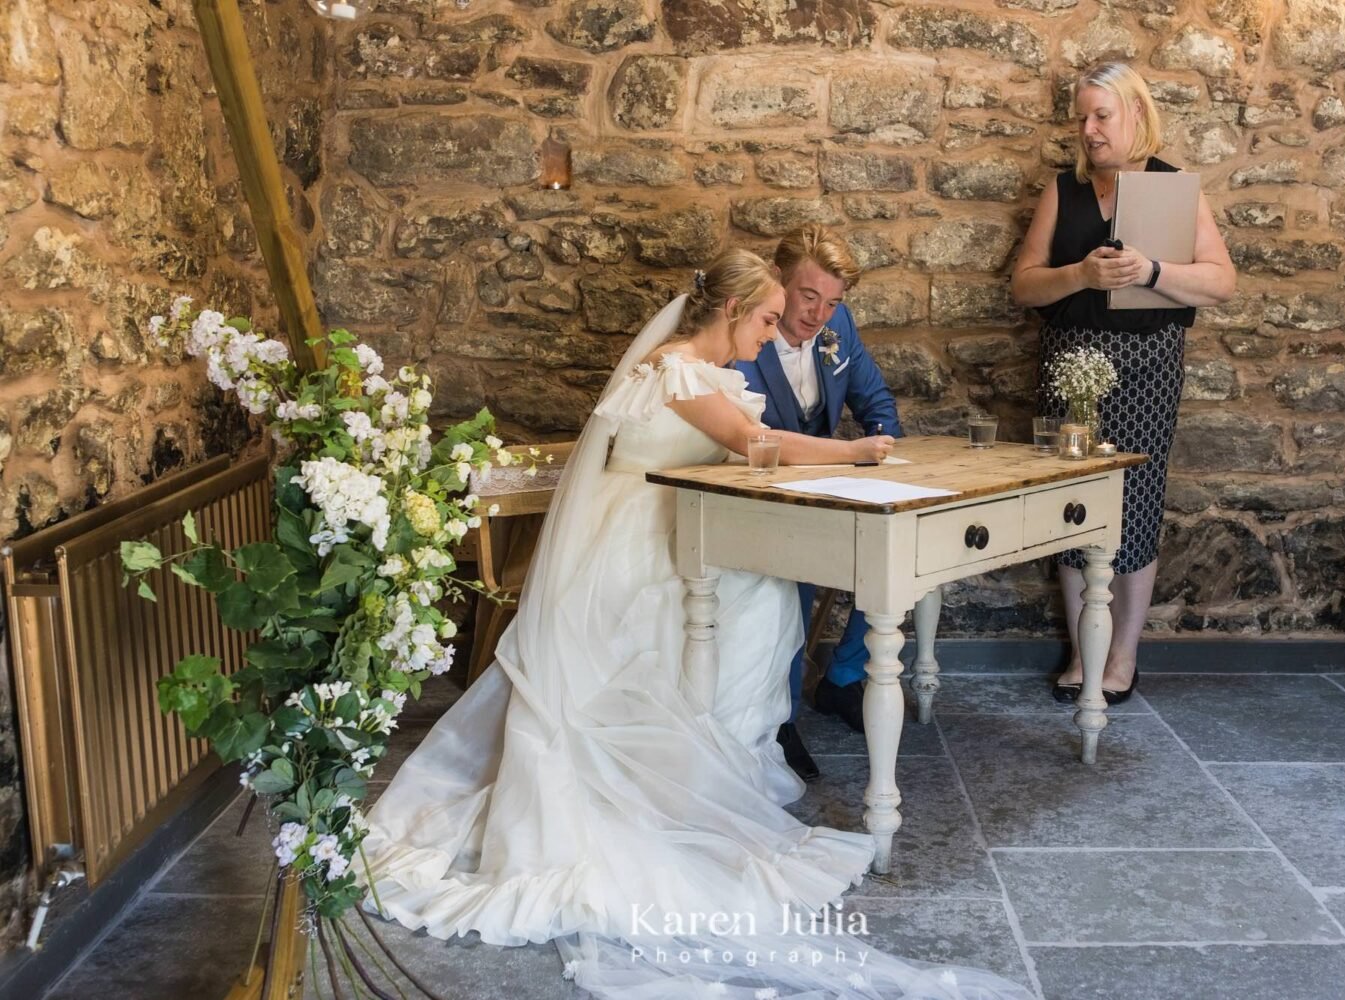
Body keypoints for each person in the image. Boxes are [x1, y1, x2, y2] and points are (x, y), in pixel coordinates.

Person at [360, 252, 1026, 998]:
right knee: (725, 618)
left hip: (684, 529)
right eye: (769, 319)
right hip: (634, 544)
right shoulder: (674, 371)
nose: (776, 333)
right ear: (732, 312)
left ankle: (716, 762)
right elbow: (753, 446)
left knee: (763, 599)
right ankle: (671, 789)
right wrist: (853, 453)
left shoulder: (708, 374)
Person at [1010, 62, 1236, 704]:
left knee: (1133, 503)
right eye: (1082, 117)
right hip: (1069, 363)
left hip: (1148, 363)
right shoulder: (1065, 189)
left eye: (1101, 116)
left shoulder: (1174, 190)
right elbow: (1024, 286)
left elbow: (1221, 282)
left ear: (1136, 116)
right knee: (1068, 502)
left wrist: (1153, 268)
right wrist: (1080, 274)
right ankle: (1084, 651)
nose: (1088, 129)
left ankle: (1122, 656)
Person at [737, 224, 903, 782]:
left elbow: (876, 400)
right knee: (796, 579)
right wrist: (844, 455)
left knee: (899, 552)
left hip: (829, 488)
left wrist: (883, 452)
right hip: (759, 494)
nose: (818, 316)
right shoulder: (745, 341)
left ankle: (843, 679)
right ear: (779, 282)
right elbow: (746, 437)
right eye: (808, 297)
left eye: (831, 303)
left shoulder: (839, 328)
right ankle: (781, 721)